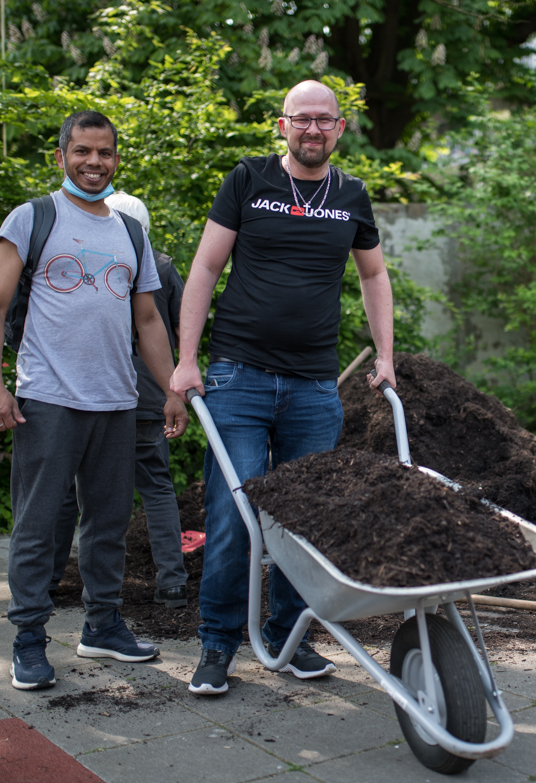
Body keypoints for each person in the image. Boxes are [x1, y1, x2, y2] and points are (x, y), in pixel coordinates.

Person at [169, 80, 395, 696]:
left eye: (324, 120)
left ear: (340, 128)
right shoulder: (249, 179)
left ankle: (291, 638)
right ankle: (218, 645)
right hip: (237, 378)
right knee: (235, 514)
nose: (312, 129)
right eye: (302, 119)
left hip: (314, 386)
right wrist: (186, 360)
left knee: (303, 520)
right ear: (282, 125)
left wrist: (385, 355)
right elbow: (206, 267)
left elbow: (374, 275)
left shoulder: (351, 194)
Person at [0, 111, 189, 691]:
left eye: (105, 152)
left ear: (117, 158)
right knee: (39, 524)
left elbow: (148, 320)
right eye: (83, 151)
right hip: (47, 399)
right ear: (61, 156)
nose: (95, 162)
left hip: (117, 402)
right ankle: (28, 639)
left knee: (109, 522)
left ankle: (102, 626)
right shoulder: (33, 218)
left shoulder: (131, 233)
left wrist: (172, 389)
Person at [49, 192, 189, 610]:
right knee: (157, 488)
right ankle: (172, 582)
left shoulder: (89, 261)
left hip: (94, 391)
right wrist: (177, 388)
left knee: (72, 492)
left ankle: (50, 580)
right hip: (149, 394)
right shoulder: (162, 267)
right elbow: (183, 329)